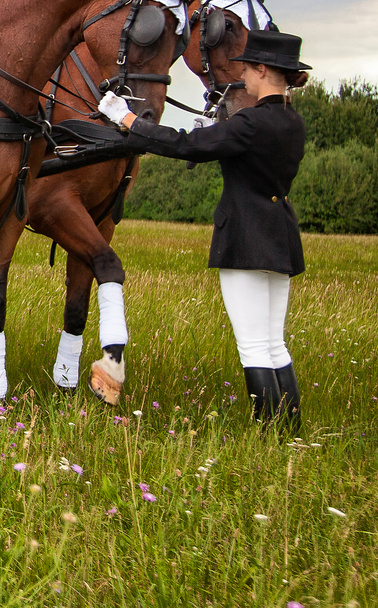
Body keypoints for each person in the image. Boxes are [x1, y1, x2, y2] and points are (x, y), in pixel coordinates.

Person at [98, 29, 312, 432]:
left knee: (252, 345)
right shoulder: (291, 122)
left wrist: (128, 120)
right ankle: (288, 430)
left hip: (245, 238)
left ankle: (268, 431)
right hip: (280, 236)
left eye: (247, 68)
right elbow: (223, 145)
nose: (242, 75)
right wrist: (213, 128)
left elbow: (187, 146)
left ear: (263, 70)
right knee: (273, 342)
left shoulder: (250, 122)